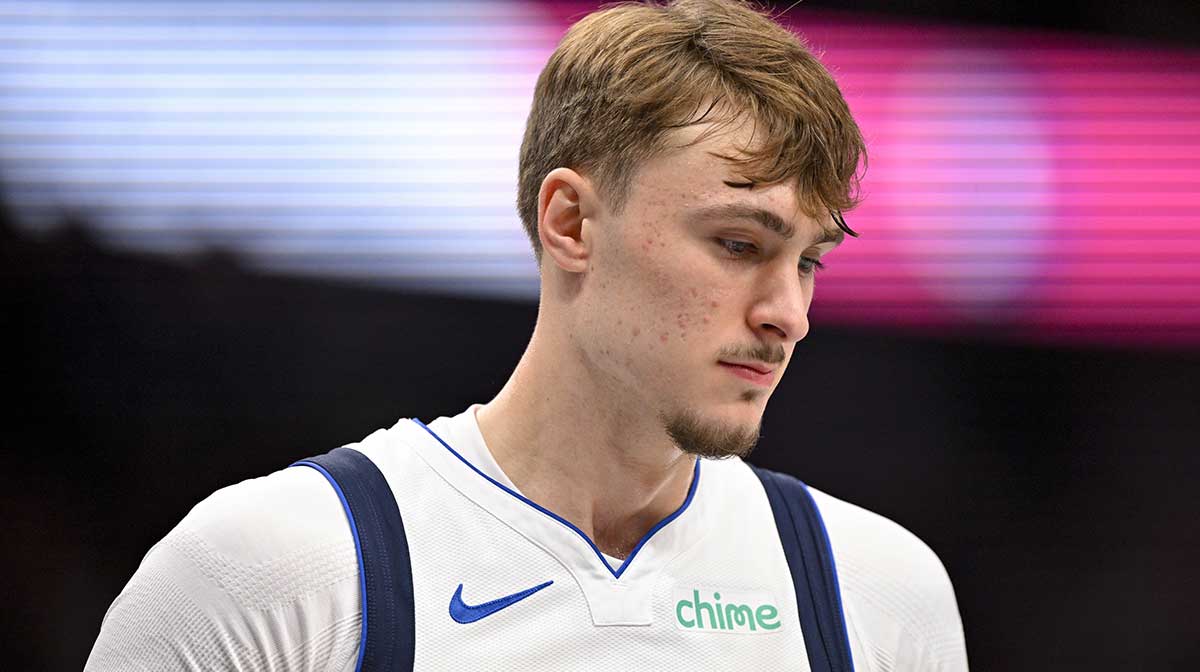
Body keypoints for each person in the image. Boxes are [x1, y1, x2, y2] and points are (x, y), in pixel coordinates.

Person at [85, 0, 968, 670]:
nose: (790, 312)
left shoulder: (879, 593)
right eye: (739, 244)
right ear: (571, 223)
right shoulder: (276, 567)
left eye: (809, 260)